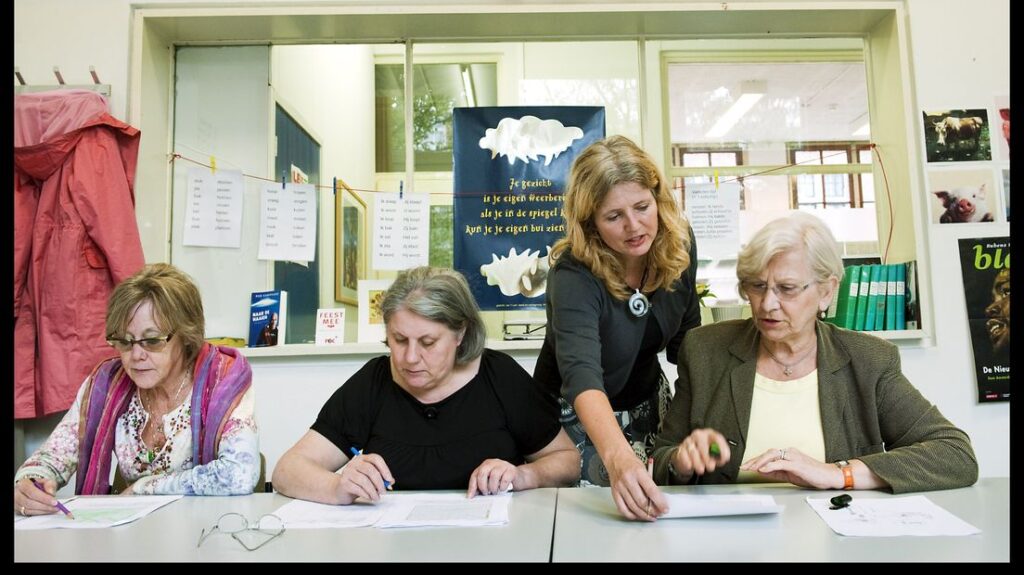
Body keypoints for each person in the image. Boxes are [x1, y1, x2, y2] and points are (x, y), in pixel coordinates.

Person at [652, 212, 978, 494]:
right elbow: (662, 457)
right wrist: (681, 461)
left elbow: (954, 454)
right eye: (757, 286)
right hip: (732, 543)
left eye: (787, 289)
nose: (767, 304)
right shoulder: (706, 350)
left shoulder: (868, 360)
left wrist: (840, 474)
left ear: (827, 291)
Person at [272, 266, 579, 504]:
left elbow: (567, 462)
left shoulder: (498, 376)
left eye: (428, 342)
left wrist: (521, 475)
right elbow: (288, 470)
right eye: (399, 340)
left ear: (460, 334)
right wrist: (337, 487)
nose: (410, 358)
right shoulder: (374, 383)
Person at [533, 135, 701, 521]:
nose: (634, 226)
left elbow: (689, 346)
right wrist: (618, 456)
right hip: (573, 416)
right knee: (592, 522)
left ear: (657, 198)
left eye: (643, 207)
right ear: (590, 222)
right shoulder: (574, 273)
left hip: (646, 402)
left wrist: (699, 421)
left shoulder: (679, 245)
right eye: (613, 217)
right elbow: (582, 376)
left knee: (660, 518)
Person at [14, 264, 260, 516]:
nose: (136, 355)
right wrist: (30, 482)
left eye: (152, 341)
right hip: (130, 533)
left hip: (203, 532)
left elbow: (239, 474)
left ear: (187, 336)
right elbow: (51, 458)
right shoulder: (105, 383)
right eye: (124, 341)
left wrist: (146, 487)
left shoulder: (222, 379)